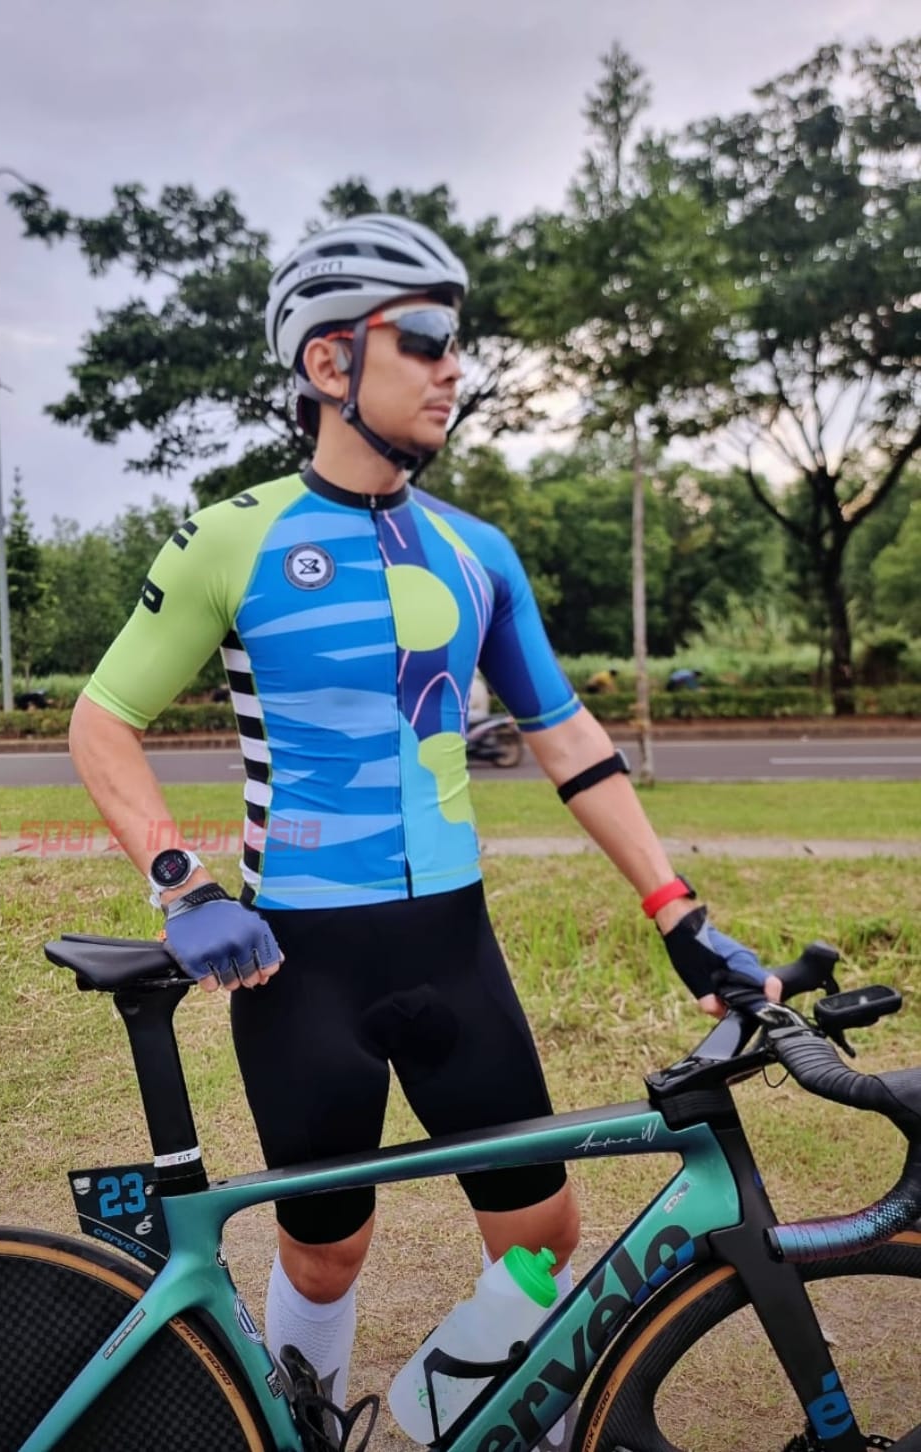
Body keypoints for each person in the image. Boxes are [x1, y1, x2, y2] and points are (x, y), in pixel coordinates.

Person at [68, 213, 779, 1446]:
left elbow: (567, 738)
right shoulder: (235, 536)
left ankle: (457, 1419)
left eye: (459, 341)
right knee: (326, 1252)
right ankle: (310, 1433)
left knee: (544, 1237)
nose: (457, 367)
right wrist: (183, 885)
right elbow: (102, 720)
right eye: (429, 338)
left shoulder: (476, 550)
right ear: (328, 361)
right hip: (299, 964)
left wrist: (681, 915)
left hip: (454, 951)